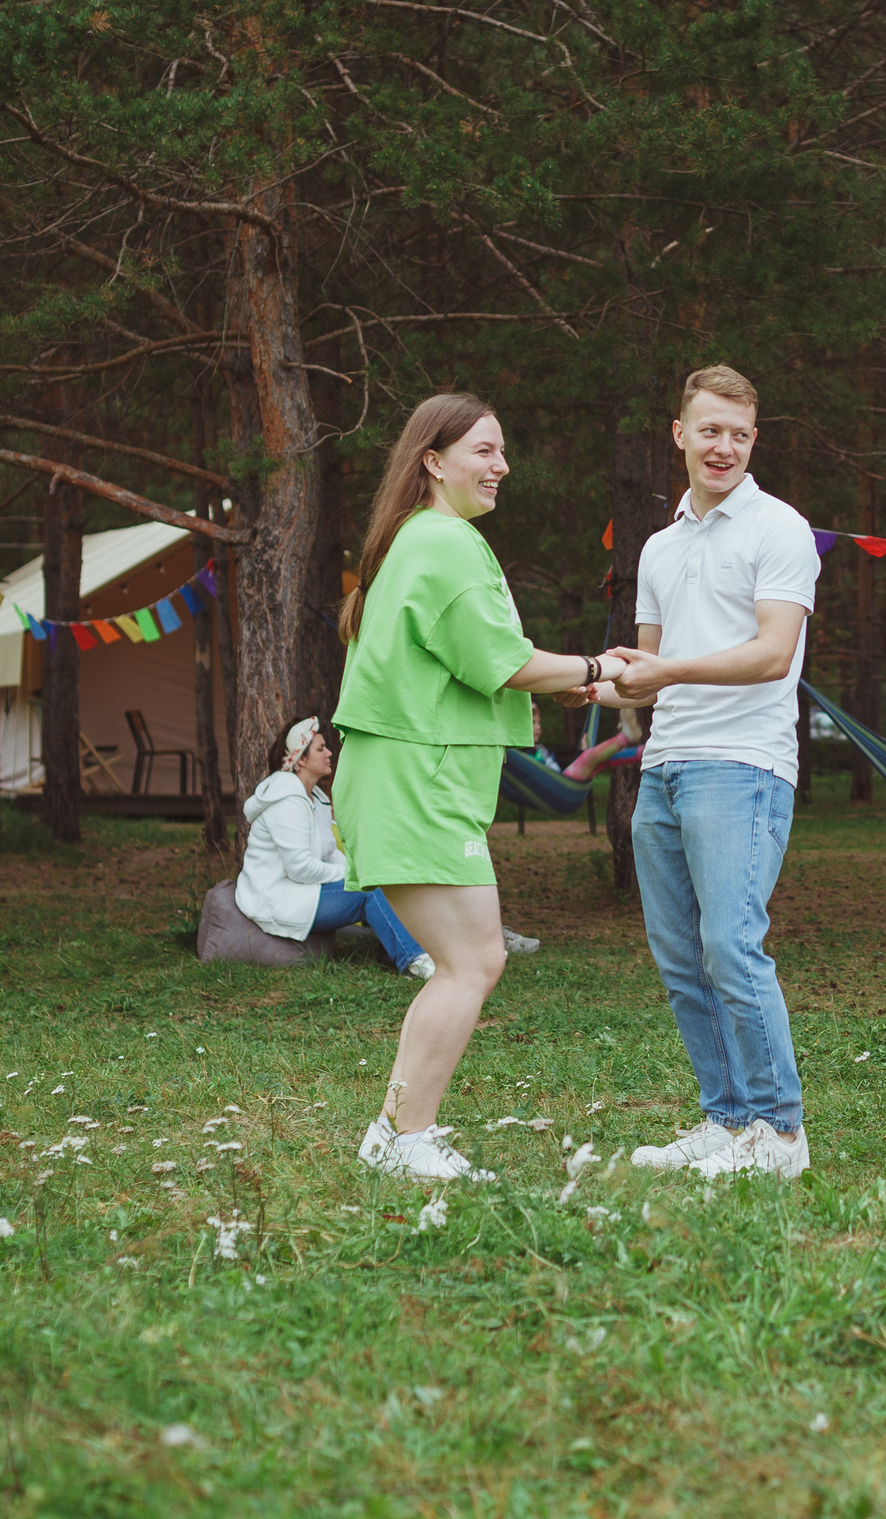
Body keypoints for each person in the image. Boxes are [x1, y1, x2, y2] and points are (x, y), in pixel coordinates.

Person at [332, 392, 628, 1183]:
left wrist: (569, 683)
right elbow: (503, 660)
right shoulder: (447, 542)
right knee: (471, 960)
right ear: (433, 460)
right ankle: (402, 1137)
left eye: (503, 452)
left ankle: (398, 1132)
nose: (502, 466)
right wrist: (600, 667)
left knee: (472, 958)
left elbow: (475, 660)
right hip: (413, 778)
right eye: (484, 450)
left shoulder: (416, 541)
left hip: (409, 776)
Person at [593, 364, 822, 1181]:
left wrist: (664, 673)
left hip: (745, 764)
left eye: (739, 432)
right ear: (679, 434)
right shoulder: (657, 546)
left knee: (730, 943)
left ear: (754, 441)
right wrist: (610, 677)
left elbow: (771, 654)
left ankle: (780, 1133)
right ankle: (727, 1120)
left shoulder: (781, 528)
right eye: (709, 429)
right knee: (681, 956)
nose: (722, 445)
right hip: (664, 766)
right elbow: (649, 666)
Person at [237, 717, 435, 979]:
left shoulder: (315, 797)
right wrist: (352, 879)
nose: (329, 753)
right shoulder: (285, 801)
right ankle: (417, 962)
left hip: (304, 891)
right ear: (302, 760)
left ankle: (401, 951)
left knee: (378, 880)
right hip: (278, 899)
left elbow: (329, 851)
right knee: (368, 892)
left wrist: (360, 872)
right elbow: (299, 868)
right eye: (320, 749)